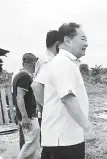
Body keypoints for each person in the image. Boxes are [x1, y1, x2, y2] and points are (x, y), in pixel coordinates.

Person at [34, 22, 95, 159]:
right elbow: (67, 98)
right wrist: (87, 127)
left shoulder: (61, 62)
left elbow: (36, 85)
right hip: (64, 140)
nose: (86, 43)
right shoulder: (63, 63)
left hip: (62, 137)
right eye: (83, 39)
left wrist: (51, 108)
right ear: (67, 40)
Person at [31, 30, 59, 158]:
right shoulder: (48, 61)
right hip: (49, 112)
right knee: (52, 148)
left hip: (46, 111)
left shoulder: (44, 59)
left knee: (49, 147)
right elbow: (37, 86)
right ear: (57, 44)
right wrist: (48, 107)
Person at [12, 53, 41, 159]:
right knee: (30, 143)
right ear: (33, 63)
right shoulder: (25, 76)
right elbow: (20, 97)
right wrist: (25, 116)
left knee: (33, 143)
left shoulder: (18, 75)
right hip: (28, 115)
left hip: (26, 114)